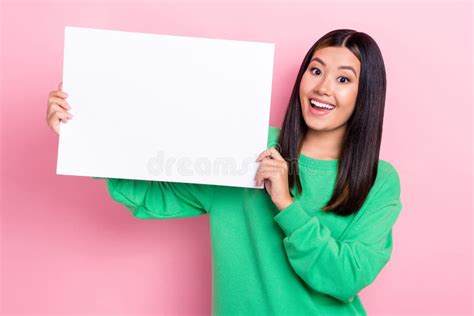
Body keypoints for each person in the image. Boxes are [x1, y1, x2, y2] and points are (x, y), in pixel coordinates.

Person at [46, 29, 402, 315]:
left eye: (343, 79)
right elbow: (159, 192)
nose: (322, 87)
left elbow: (346, 278)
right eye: (316, 70)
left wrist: (285, 203)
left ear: (365, 95)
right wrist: (82, 136)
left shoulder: (378, 180)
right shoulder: (249, 143)